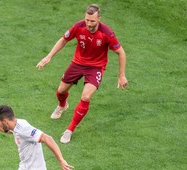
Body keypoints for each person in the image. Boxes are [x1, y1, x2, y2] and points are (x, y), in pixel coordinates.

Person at [36, 3, 128, 143]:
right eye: (87, 20)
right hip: (78, 63)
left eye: (92, 21)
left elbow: (121, 52)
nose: (89, 23)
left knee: (85, 97)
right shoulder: (78, 27)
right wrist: (48, 56)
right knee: (60, 91)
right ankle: (62, 106)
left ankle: (70, 130)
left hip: (95, 68)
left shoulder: (106, 33)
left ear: (99, 19)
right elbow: (63, 40)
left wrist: (121, 75)